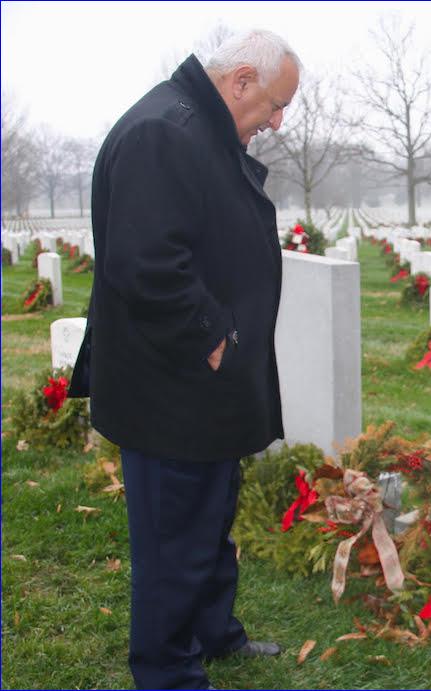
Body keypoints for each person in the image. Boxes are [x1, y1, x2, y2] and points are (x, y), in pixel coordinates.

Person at [69, 29, 301, 690]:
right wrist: (217, 338)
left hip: (202, 386)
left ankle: (211, 633)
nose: (279, 121)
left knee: (209, 519)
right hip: (171, 387)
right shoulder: (165, 131)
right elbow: (145, 264)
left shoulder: (197, 124)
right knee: (174, 538)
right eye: (276, 104)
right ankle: (168, 669)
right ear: (240, 83)